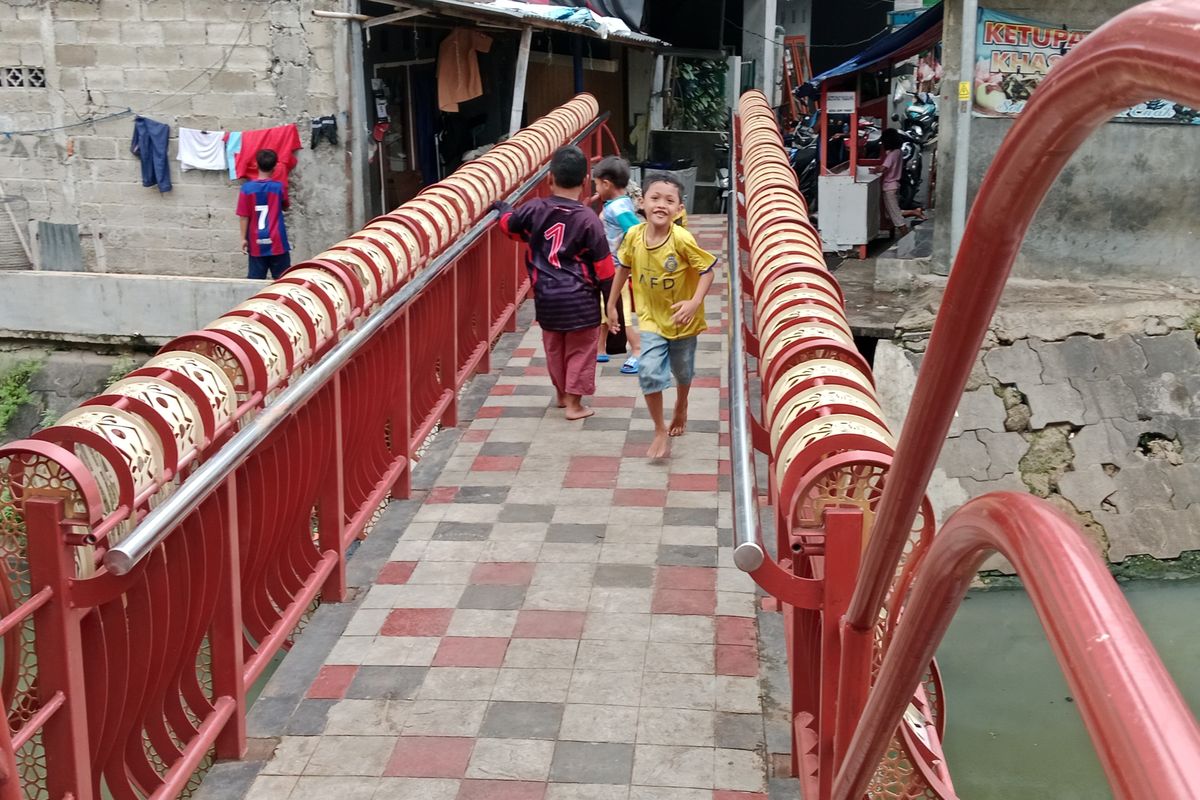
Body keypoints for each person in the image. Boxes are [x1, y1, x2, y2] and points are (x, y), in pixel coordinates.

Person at [498, 145, 615, 421]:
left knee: (554, 347)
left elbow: (509, 226)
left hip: (546, 297)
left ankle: (561, 394)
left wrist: (502, 208)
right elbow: (605, 268)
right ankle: (575, 404)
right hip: (581, 299)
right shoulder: (588, 219)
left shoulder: (535, 209)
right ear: (585, 181)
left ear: (549, 178)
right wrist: (611, 305)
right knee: (581, 348)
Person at [607, 173, 717, 459]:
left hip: (683, 321)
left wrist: (693, 302)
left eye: (669, 201)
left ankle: (681, 405)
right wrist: (611, 304)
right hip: (651, 319)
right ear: (641, 203)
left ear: (679, 209)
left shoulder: (681, 239)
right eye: (654, 198)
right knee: (649, 371)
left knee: (682, 371)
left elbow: (707, 271)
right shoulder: (633, 236)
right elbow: (623, 267)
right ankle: (659, 429)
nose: (661, 205)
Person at [593, 156, 643, 374]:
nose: (595, 189)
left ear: (606, 183)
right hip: (609, 265)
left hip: (616, 268)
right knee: (605, 307)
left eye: (596, 183)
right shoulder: (617, 204)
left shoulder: (618, 207)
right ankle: (601, 347)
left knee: (618, 311)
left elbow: (635, 231)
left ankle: (638, 350)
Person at [236, 149, 291, 280]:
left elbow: (244, 216)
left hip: (256, 241)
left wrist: (243, 238)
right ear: (275, 166)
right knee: (283, 280)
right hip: (277, 240)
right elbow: (285, 206)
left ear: (256, 164)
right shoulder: (278, 187)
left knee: (254, 281)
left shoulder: (246, 189)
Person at [878, 129, 924, 237]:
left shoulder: (891, 155)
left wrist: (874, 170)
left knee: (896, 216)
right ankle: (915, 212)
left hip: (889, 187)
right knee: (890, 213)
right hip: (895, 185)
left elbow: (883, 168)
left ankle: (905, 236)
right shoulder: (898, 152)